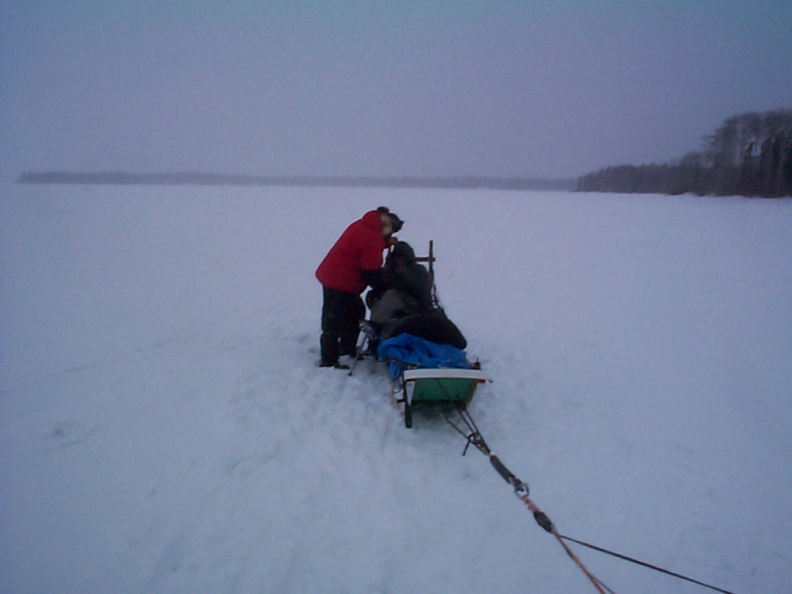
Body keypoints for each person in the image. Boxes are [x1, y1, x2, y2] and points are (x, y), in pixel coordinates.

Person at [316, 207, 403, 368]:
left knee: (355, 312)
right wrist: (382, 288)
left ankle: (347, 348)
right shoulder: (374, 238)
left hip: (336, 275)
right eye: (391, 233)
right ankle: (328, 360)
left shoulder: (365, 224)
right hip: (339, 280)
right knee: (333, 319)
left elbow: (363, 245)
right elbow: (371, 270)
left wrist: (384, 243)